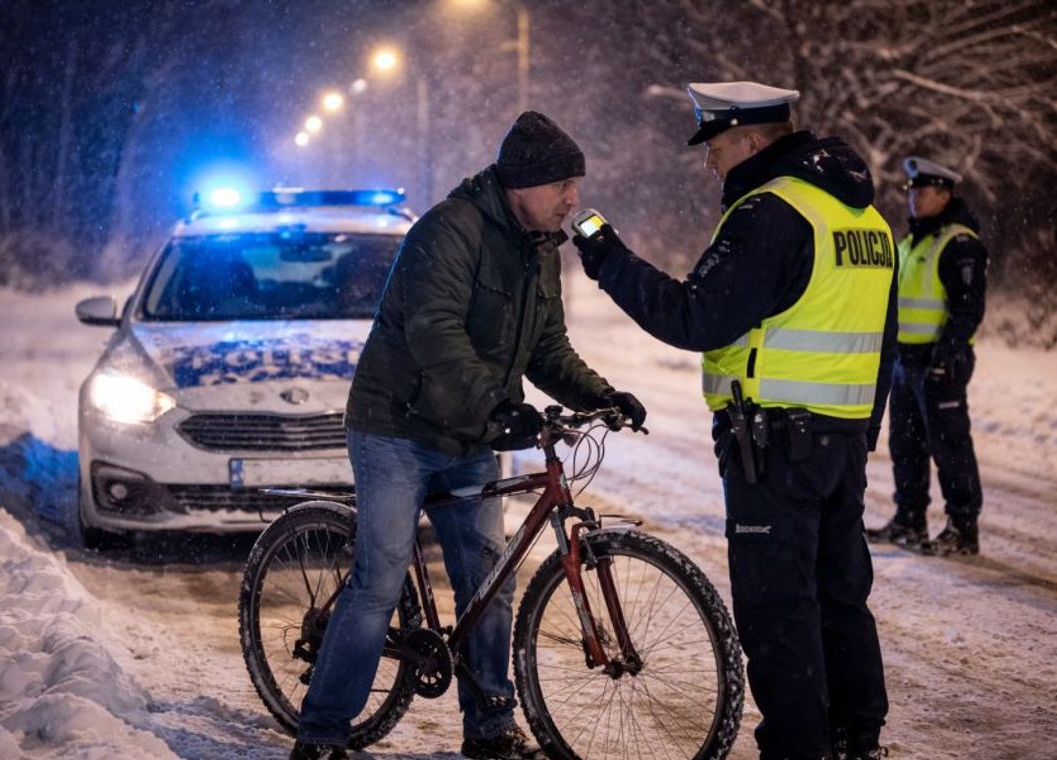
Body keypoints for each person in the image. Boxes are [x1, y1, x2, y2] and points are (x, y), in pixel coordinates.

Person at [291, 111, 647, 760]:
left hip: (469, 436)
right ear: (521, 184)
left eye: (577, 184)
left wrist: (599, 394)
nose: (574, 199)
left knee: (489, 583)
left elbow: (546, 348)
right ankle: (320, 735)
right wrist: (498, 407)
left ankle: (489, 730)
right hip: (395, 427)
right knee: (378, 581)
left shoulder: (542, 250)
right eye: (562, 185)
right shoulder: (447, 231)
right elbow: (436, 336)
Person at [571, 81, 893, 760]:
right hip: (838, 442)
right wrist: (861, 431)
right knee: (839, 594)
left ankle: (798, 748)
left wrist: (610, 259)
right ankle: (855, 734)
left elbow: (697, 316)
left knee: (779, 608)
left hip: (774, 448)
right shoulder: (864, 218)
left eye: (715, 147)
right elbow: (882, 342)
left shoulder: (769, 213)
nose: (710, 163)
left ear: (752, 140)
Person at [866, 157, 987, 556]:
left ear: (945, 194)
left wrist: (944, 356)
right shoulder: (910, 241)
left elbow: (968, 308)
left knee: (949, 445)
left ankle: (962, 528)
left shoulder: (959, 242)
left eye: (923, 192)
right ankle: (910, 519)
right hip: (906, 361)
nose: (914, 199)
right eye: (912, 192)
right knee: (906, 443)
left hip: (940, 362)